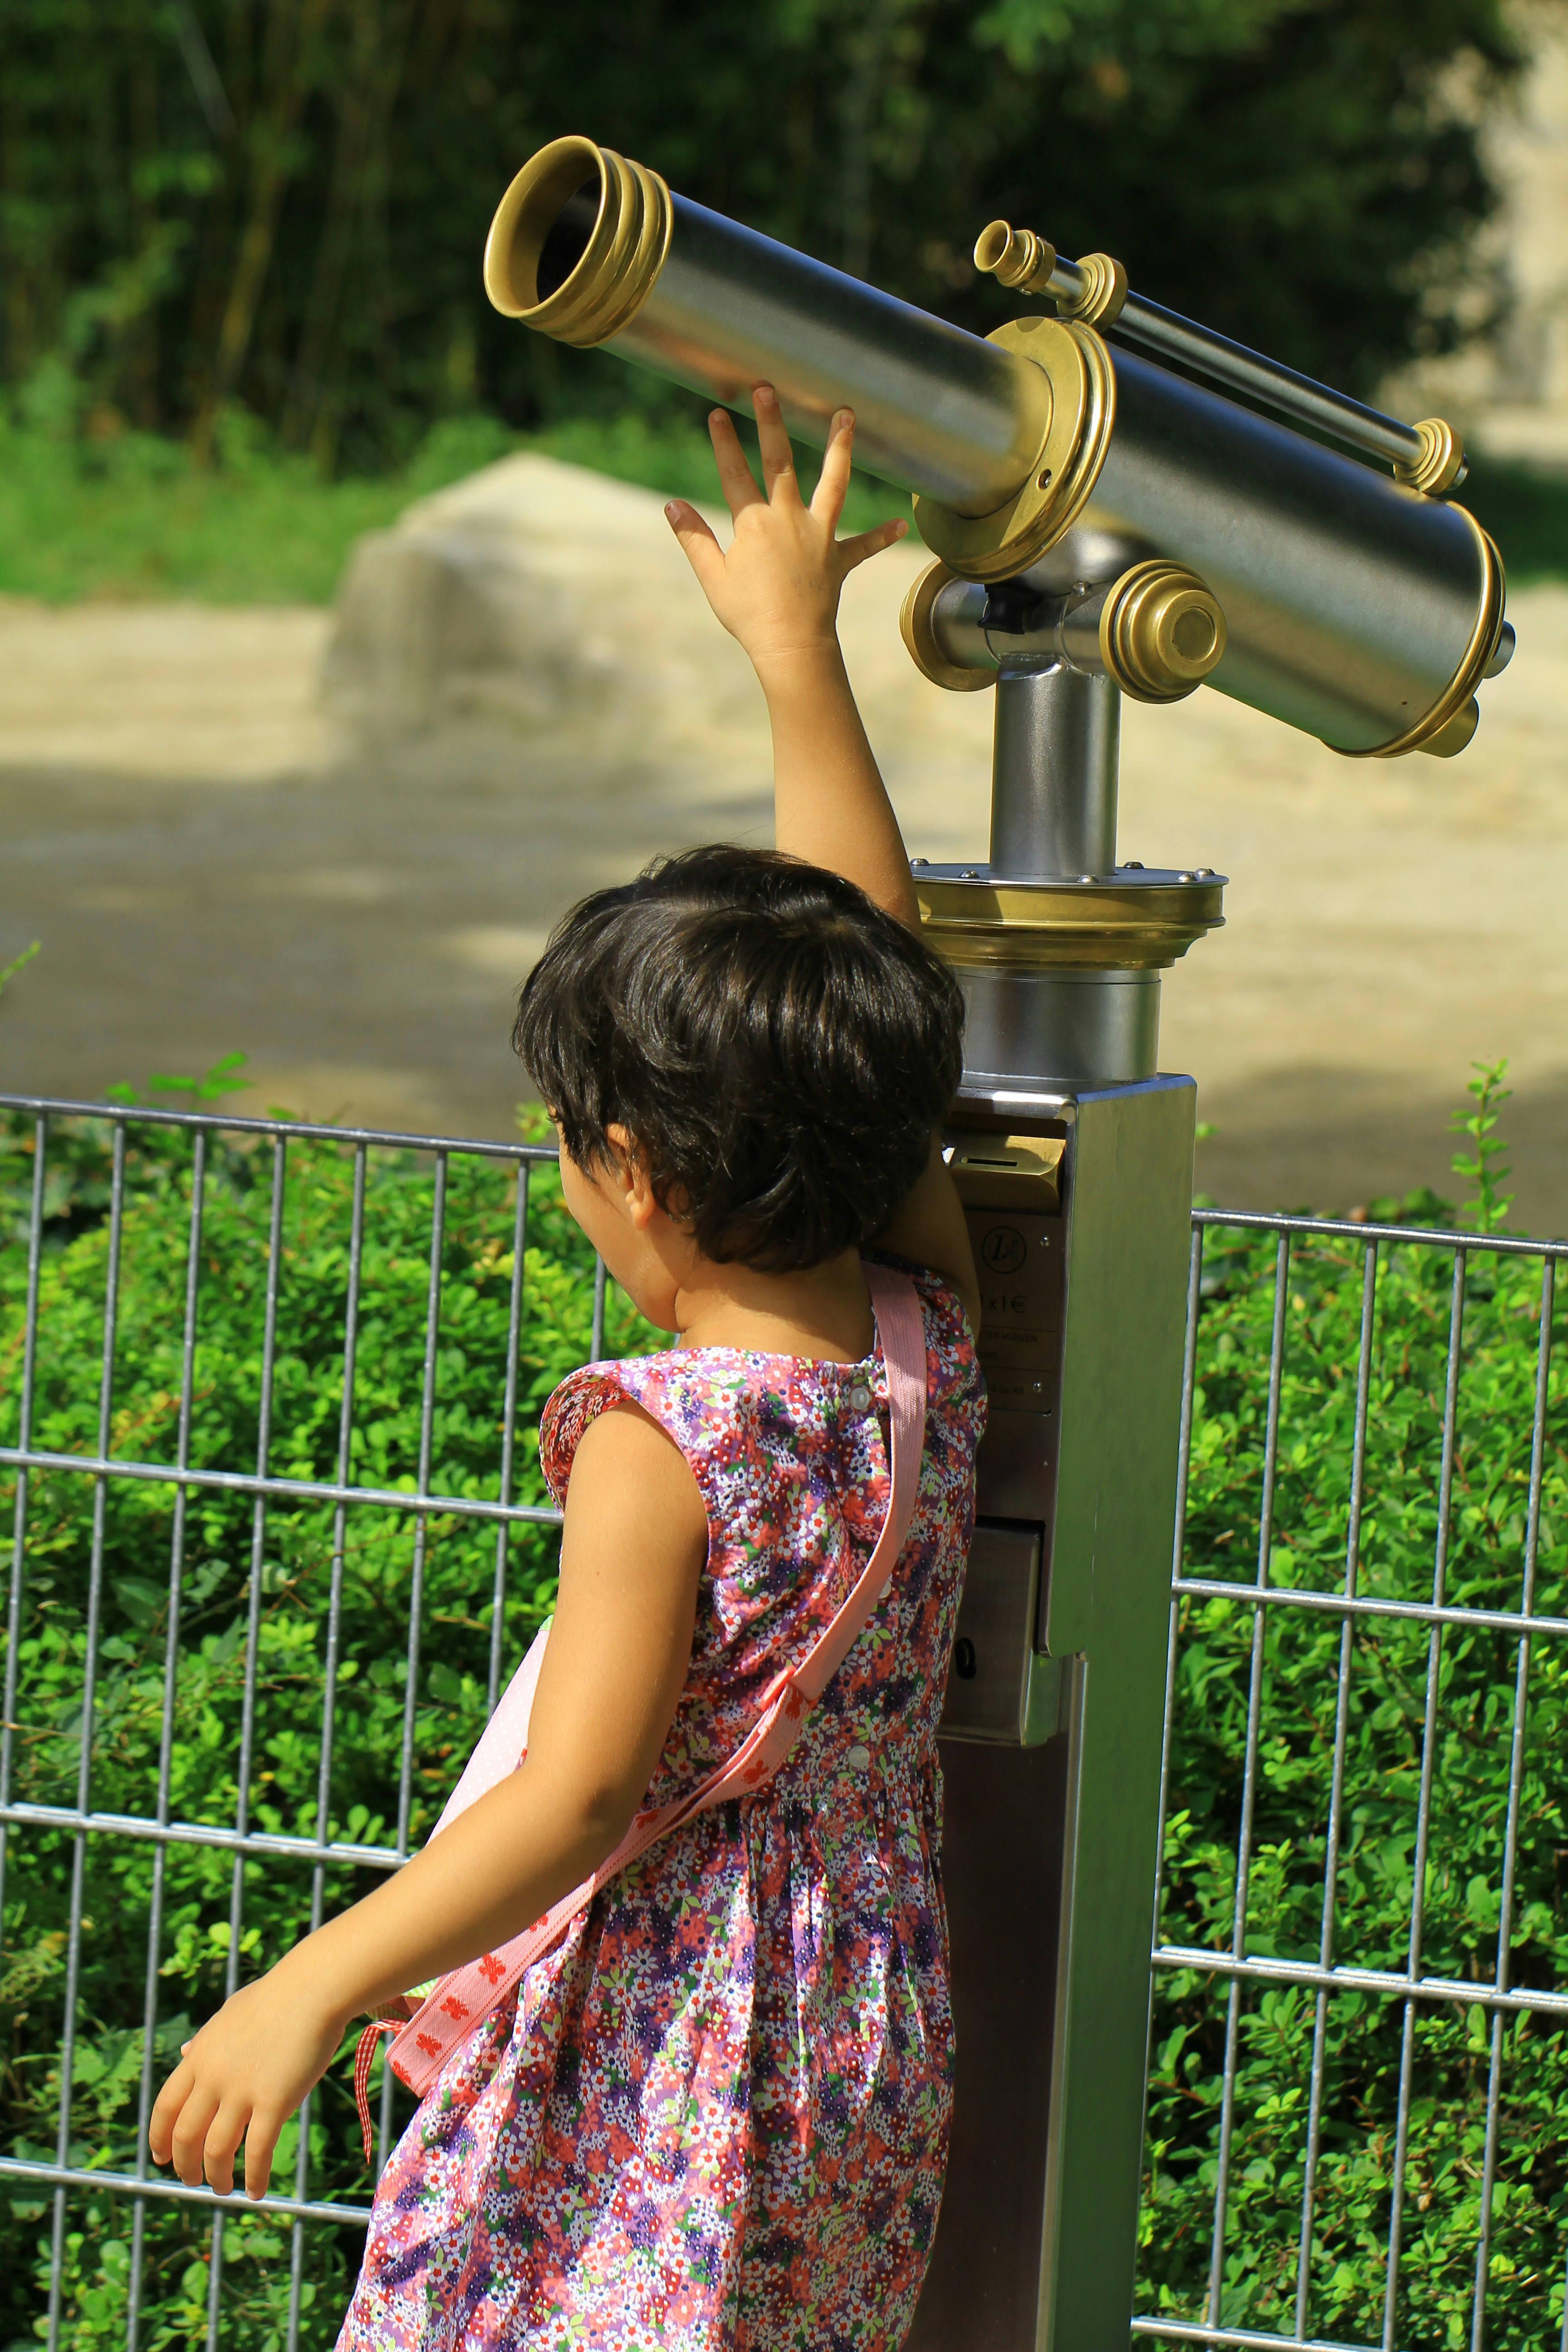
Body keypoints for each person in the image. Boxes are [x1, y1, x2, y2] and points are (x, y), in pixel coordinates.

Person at [149, 386, 984, 2349]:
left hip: (665, 2042)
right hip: (856, 2033)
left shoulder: (663, 1444)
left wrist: (309, 1987)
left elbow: (579, 1788)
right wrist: (799, 656)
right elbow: (869, 968)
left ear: (637, 1177)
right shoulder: (919, 1338)